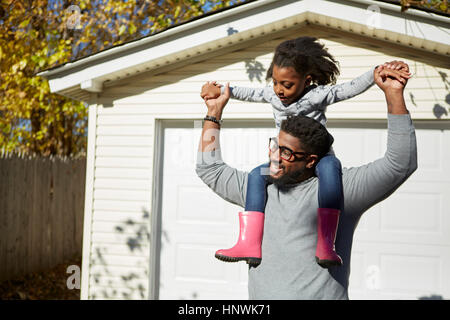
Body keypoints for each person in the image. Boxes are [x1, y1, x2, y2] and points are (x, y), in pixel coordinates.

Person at [196, 63, 417, 299]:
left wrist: (393, 95)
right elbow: (209, 168)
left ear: (311, 161)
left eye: (286, 153)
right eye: (274, 147)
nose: (275, 158)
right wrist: (214, 112)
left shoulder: (342, 191)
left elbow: (400, 163)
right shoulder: (258, 189)